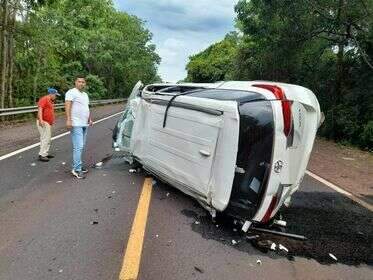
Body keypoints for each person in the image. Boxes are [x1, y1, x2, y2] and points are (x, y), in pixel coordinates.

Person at [65, 75, 93, 179]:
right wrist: (68, 119)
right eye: (79, 81)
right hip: (75, 123)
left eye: (83, 82)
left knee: (81, 146)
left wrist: (89, 119)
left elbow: (87, 108)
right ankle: (77, 169)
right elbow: (67, 105)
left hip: (84, 123)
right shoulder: (71, 92)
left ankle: (78, 166)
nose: (81, 83)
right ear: (75, 82)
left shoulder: (85, 94)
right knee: (79, 146)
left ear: (85, 84)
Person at [36, 88, 60, 162]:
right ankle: (42, 155)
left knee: (47, 138)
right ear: (51, 94)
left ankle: (44, 153)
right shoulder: (44, 99)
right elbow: (40, 109)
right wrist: (41, 120)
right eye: (55, 95)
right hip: (44, 121)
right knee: (45, 138)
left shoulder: (50, 101)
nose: (56, 96)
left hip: (47, 122)